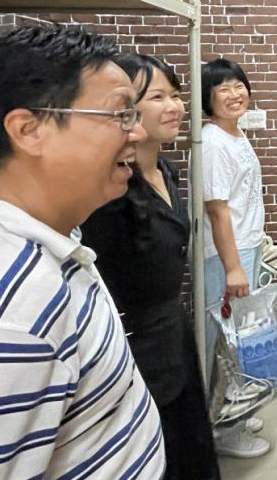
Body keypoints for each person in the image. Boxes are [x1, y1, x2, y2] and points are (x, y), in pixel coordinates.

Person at [0, 25, 164, 478]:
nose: (138, 132)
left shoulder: (46, 236)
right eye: (121, 114)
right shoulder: (7, 323)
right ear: (29, 130)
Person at [81, 53, 221, 479]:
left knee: (191, 448)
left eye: (175, 95)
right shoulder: (106, 191)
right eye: (157, 97)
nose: (174, 106)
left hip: (173, 337)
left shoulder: (166, 170)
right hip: (134, 351)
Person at [201, 57, 271, 459]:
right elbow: (217, 211)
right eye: (223, 89)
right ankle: (226, 430)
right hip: (227, 256)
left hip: (244, 247)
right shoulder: (213, 143)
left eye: (238, 85)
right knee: (227, 344)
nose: (234, 94)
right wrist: (233, 267)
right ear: (208, 98)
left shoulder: (235, 133)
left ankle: (236, 415)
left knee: (241, 337)